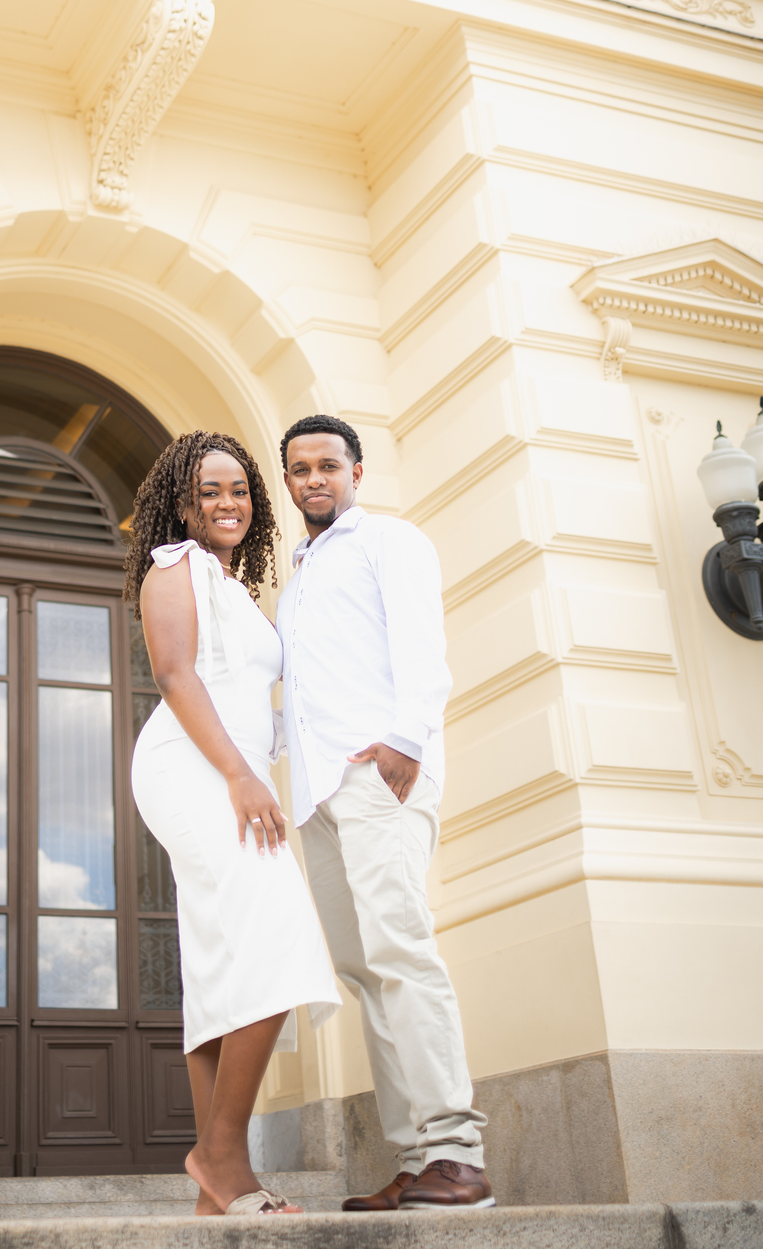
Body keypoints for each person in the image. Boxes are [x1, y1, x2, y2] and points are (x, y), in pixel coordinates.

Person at [276, 414, 494, 1211]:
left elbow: (422, 643)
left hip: (380, 777)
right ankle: (415, 1159)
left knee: (402, 952)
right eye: (299, 470)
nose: (314, 480)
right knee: (365, 973)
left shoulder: (388, 540)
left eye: (328, 466)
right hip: (318, 796)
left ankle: (457, 1152)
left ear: (356, 472)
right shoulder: (297, 576)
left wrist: (404, 741)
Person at [128, 430, 340, 1218]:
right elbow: (175, 675)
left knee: (221, 960)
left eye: (240, 490)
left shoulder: (235, 589)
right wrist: (242, 775)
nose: (228, 503)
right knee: (280, 933)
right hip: (196, 772)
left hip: (229, 773)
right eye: (210, 490)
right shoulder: (173, 569)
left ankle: (219, 1187)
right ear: (183, 502)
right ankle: (220, 1153)